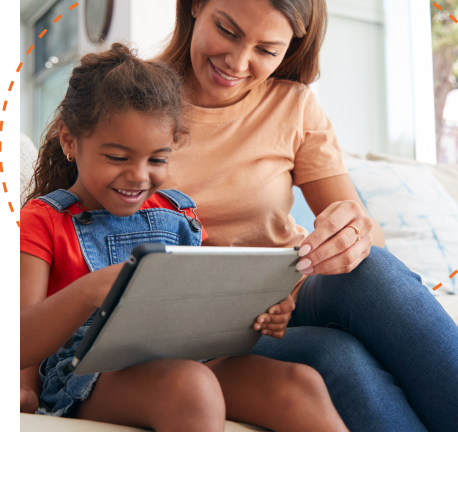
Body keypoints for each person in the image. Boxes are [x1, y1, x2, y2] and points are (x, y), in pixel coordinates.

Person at [157, 0, 458, 432]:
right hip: (195, 318)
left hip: (287, 296)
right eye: (227, 29)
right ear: (197, 1)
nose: (238, 62)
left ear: (291, 48)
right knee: (337, 355)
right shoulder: (134, 99)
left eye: (266, 50)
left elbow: (369, 242)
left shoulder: (293, 105)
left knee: (373, 270)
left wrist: (351, 233)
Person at [19, 43, 348, 432]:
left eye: (157, 159)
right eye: (119, 158)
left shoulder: (178, 214)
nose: (140, 176)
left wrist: (264, 313)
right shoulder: (42, 220)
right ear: (70, 140)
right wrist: (90, 292)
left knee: (300, 384)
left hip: (190, 357)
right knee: (192, 387)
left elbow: (218, 298)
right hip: (87, 375)